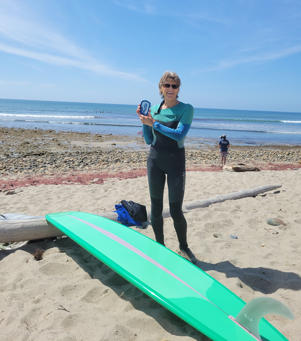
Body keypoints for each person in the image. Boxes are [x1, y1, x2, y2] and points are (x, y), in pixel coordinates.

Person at [136, 71, 196, 263]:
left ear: (179, 89)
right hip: (155, 159)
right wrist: (145, 122)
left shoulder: (186, 109)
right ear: (161, 87)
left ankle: (184, 247)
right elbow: (148, 140)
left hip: (175, 161)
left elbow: (179, 135)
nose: (171, 89)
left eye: (175, 86)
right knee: (155, 207)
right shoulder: (153, 109)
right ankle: (159, 246)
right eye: (167, 85)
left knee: (175, 208)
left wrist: (154, 123)